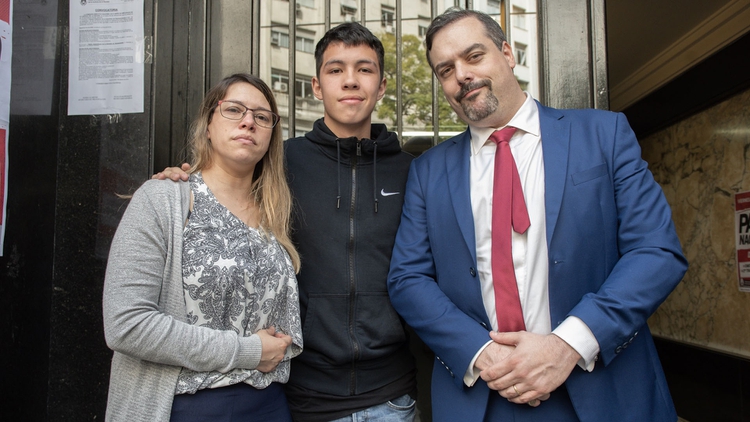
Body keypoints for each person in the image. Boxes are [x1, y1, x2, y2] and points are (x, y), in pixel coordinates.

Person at [387, 8, 688, 422]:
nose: (461, 76)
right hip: (484, 396)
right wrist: (482, 353)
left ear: (508, 54)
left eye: (474, 56)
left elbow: (656, 251)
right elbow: (407, 278)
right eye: (445, 70)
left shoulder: (605, 135)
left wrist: (567, 345)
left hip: (601, 388)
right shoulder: (427, 170)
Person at [154, 23, 418, 422]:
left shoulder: (411, 172)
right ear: (316, 86)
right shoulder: (277, 165)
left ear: (381, 86)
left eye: (364, 69)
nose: (350, 80)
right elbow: (223, 184)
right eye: (335, 70)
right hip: (300, 393)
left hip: (392, 394)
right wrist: (181, 184)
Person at [103, 73, 303, 422]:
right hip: (183, 406)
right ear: (208, 124)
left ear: (272, 134)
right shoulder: (163, 199)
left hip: (268, 406)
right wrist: (246, 351)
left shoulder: (274, 215)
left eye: (262, 116)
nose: (248, 122)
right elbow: (126, 324)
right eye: (234, 110)